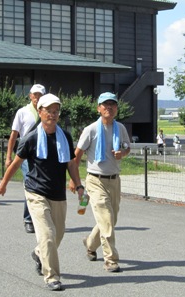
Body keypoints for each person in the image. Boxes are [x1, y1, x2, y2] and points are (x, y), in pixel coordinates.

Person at [0, 93, 82, 291]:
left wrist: (78, 185)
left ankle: (38, 253)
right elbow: (16, 164)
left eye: (56, 111)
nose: (52, 115)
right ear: (40, 112)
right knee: (48, 235)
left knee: (58, 234)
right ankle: (52, 276)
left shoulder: (65, 136)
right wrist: (3, 183)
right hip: (36, 192)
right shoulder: (31, 138)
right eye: (49, 111)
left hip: (58, 193)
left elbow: (71, 164)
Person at [69, 92, 131, 273]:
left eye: (112, 105)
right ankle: (110, 259)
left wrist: (123, 153)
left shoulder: (120, 128)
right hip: (95, 180)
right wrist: (74, 180)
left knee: (111, 220)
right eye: (105, 105)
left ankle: (90, 243)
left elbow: (127, 146)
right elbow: (77, 155)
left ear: (116, 108)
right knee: (106, 219)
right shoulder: (91, 130)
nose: (109, 108)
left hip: (114, 179)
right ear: (98, 108)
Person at [6, 83, 45, 233]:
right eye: (35, 95)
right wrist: (9, 156)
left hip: (42, 154)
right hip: (26, 155)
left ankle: (39, 218)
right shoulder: (22, 112)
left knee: (41, 186)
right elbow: (14, 135)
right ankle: (28, 218)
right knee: (30, 184)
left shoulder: (46, 112)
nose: (37, 98)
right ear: (30, 96)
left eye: (40, 95)